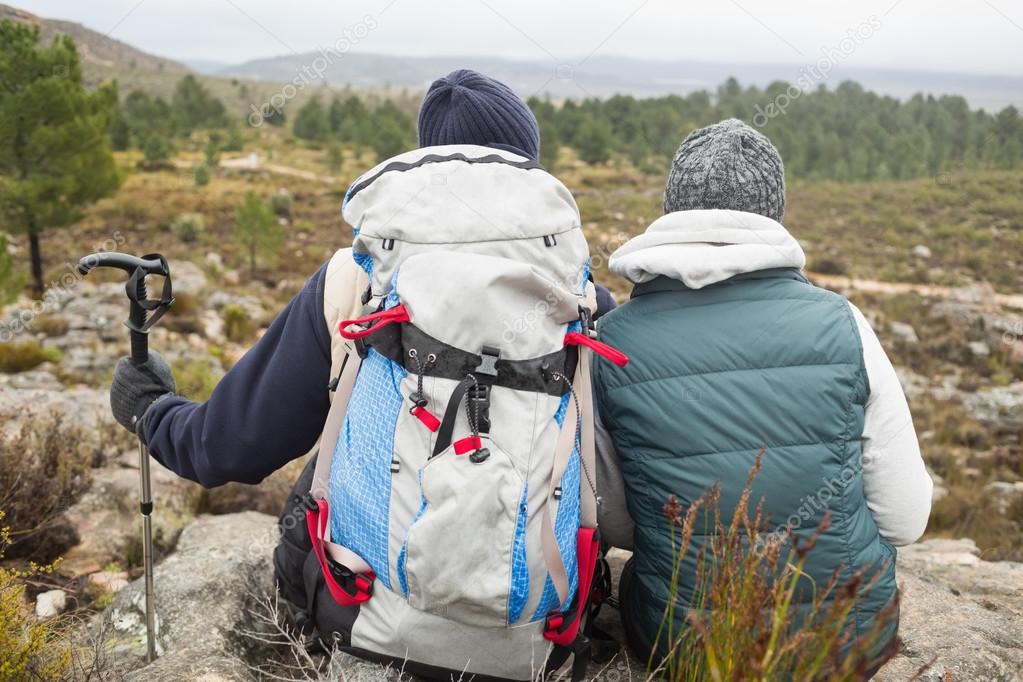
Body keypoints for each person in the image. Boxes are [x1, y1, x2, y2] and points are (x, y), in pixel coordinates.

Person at [108, 69, 617, 679]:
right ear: (526, 168)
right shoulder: (580, 301)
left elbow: (229, 450)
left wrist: (150, 409)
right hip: (536, 639)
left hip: (362, 622)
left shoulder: (355, 281)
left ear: (424, 161)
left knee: (332, 442)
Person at [592, 119, 933, 670]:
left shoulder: (609, 344)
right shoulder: (843, 323)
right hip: (846, 641)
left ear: (671, 209)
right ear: (772, 211)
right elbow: (906, 519)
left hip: (682, 645)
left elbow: (617, 524)